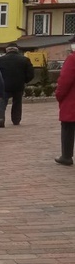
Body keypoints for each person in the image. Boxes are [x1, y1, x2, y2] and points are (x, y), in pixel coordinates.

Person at [0, 42, 34, 127]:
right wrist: (24, 81)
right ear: (17, 50)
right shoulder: (24, 60)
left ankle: (1, 118)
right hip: (18, 85)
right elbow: (31, 74)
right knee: (17, 103)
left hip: (3, 85)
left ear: (6, 50)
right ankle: (16, 119)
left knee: (1, 103)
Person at [55, 35, 75, 166]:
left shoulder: (72, 59)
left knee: (68, 128)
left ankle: (66, 156)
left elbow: (65, 80)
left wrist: (59, 95)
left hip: (72, 102)